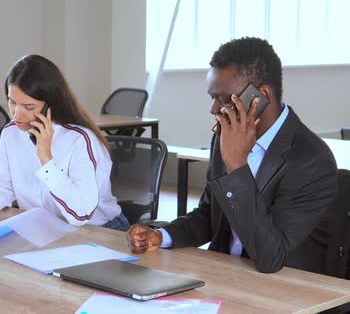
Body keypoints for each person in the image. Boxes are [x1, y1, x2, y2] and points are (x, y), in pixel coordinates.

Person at [127, 37, 338, 274]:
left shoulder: (310, 161)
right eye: (212, 97)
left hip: (285, 291)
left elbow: (271, 256)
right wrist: (162, 236)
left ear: (261, 96)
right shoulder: (224, 137)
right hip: (226, 277)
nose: (214, 109)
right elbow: (210, 215)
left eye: (225, 99)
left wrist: (237, 166)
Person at [0, 54, 130, 231]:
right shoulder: (12, 133)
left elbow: (80, 215)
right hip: (45, 229)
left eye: (29, 107)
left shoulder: (80, 140)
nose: (16, 114)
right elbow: (1, 185)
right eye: (12, 102)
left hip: (99, 231)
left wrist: (46, 158)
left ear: (51, 104)